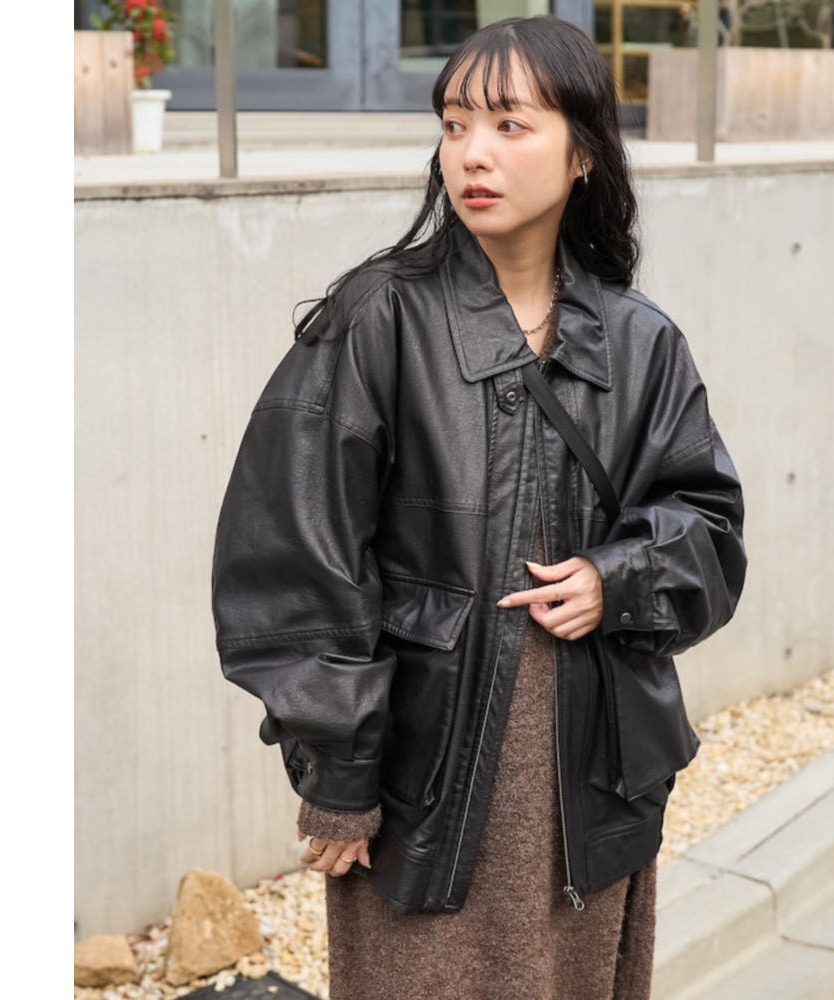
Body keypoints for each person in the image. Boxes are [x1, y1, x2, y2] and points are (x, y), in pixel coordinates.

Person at [212, 14, 746, 1000]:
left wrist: (617, 577)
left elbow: (710, 527)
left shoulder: (640, 342)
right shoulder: (378, 319)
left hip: (590, 778)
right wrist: (339, 779)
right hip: (427, 779)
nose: (472, 153)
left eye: (509, 124)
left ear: (583, 152)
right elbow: (294, 558)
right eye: (455, 124)